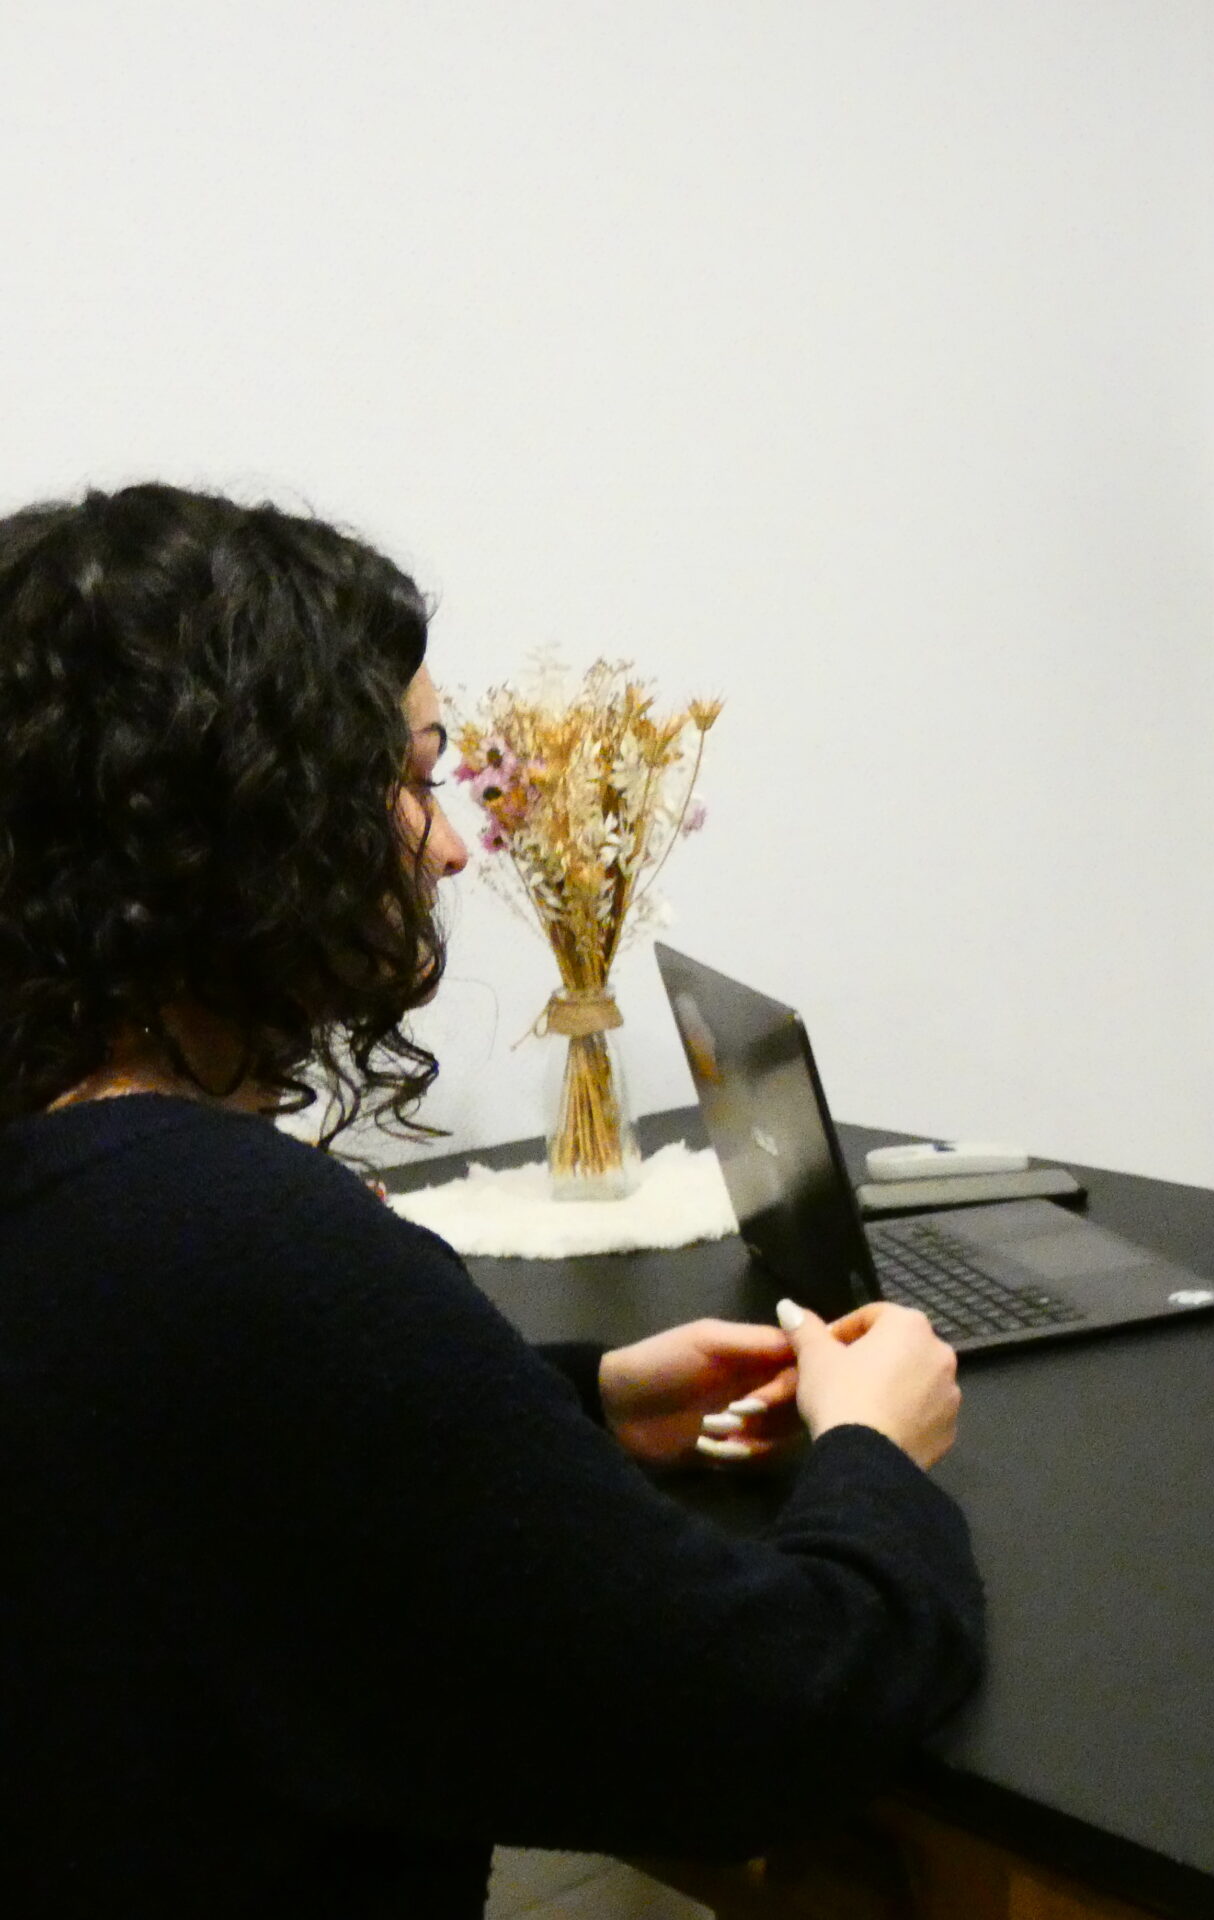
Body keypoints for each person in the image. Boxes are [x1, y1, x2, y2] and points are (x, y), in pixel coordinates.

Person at [0, 484, 985, 1915]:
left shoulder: (78, 1197)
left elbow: (199, 1453)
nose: (452, 846)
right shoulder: (239, 1238)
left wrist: (577, 1402)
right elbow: (774, 1717)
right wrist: (877, 1461)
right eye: (407, 779)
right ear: (240, 818)